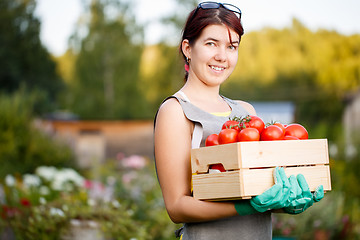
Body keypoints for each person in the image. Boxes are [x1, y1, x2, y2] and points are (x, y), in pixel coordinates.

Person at [154, 2, 324, 239]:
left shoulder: (245, 111)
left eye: (231, 46)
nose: (222, 56)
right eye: (211, 43)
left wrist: (287, 202)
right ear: (188, 48)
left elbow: (259, 190)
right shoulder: (176, 111)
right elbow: (176, 206)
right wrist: (245, 208)